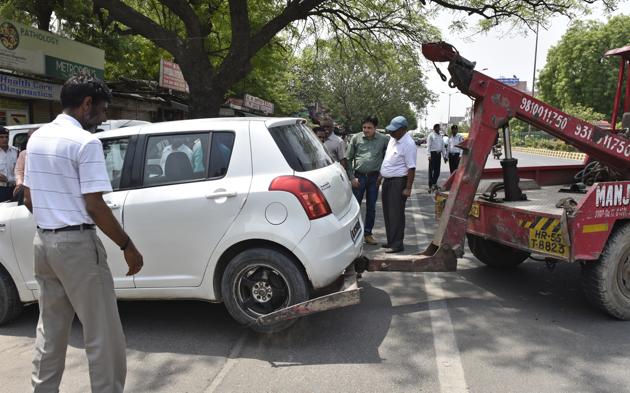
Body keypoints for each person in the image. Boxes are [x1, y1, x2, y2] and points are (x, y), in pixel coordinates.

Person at [23, 74, 144, 393]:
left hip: (43, 243)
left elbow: (28, 198)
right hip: (76, 245)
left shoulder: (37, 137)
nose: (103, 117)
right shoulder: (86, 143)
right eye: (102, 110)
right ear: (86, 104)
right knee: (103, 334)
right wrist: (127, 244)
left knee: (50, 332)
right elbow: (95, 205)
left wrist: (53, 221)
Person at [346, 116, 389, 245]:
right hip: (359, 177)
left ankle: (368, 234)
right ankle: (352, 235)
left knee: (371, 207)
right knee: (355, 207)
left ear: (375, 128)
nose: (366, 130)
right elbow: (348, 159)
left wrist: (382, 175)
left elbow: (388, 158)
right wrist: (352, 178)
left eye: (369, 128)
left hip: (374, 178)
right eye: (364, 127)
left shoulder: (383, 139)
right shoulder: (356, 138)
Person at [379, 116, 416, 253]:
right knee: (388, 213)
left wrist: (408, 187)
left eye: (394, 131)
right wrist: (380, 176)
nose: (391, 133)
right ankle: (391, 241)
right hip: (388, 181)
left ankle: (397, 244)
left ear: (403, 130)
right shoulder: (393, 140)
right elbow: (388, 159)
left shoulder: (408, 144)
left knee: (396, 214)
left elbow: (411, 168)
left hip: (398, 182)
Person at [13, 128, 37, 203]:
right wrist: (19, 184)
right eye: (30, 137)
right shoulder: (24, 154)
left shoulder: (47, 153)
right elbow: (19, 171)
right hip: (27, 188)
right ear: (28, 138)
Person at [0, 126, 19, 202]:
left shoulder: (16, 151)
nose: (4, 139)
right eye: (1, 137)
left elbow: (20, 170)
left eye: (6, 137)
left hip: (14, 188)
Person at [426, 123, 446, 192]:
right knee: (431, 170)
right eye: (437, 128)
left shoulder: (440, 136)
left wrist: (444, 156)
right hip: (432, 154)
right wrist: (429, 155)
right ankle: (430, 185)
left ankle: (434, 183)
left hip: (438, 155)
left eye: (439, 128)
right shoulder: (431, 135)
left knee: (437, 171)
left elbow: (443, 147)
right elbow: (428, 146)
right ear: (434, 128)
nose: (438, 129)